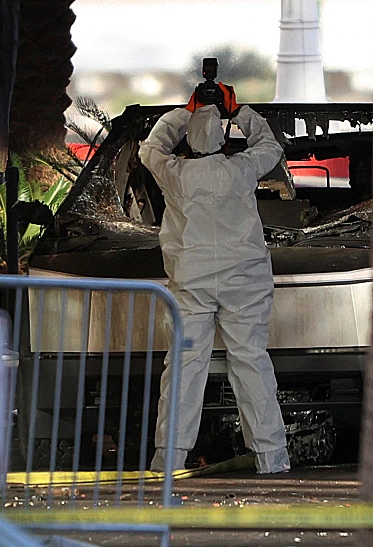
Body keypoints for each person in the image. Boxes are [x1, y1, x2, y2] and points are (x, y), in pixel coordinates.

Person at [138, 86, 290, 474]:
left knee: (185, 368)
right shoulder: (241, 169)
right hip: (246, 284)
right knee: (252, 363)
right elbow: (270, 145)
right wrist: (237, 109)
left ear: (189, 136)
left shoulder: (176, 174)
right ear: (223, 135)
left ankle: (167, 460)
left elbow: (151, 149)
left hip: (191, 286)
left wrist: (185, 111)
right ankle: (272, 459)